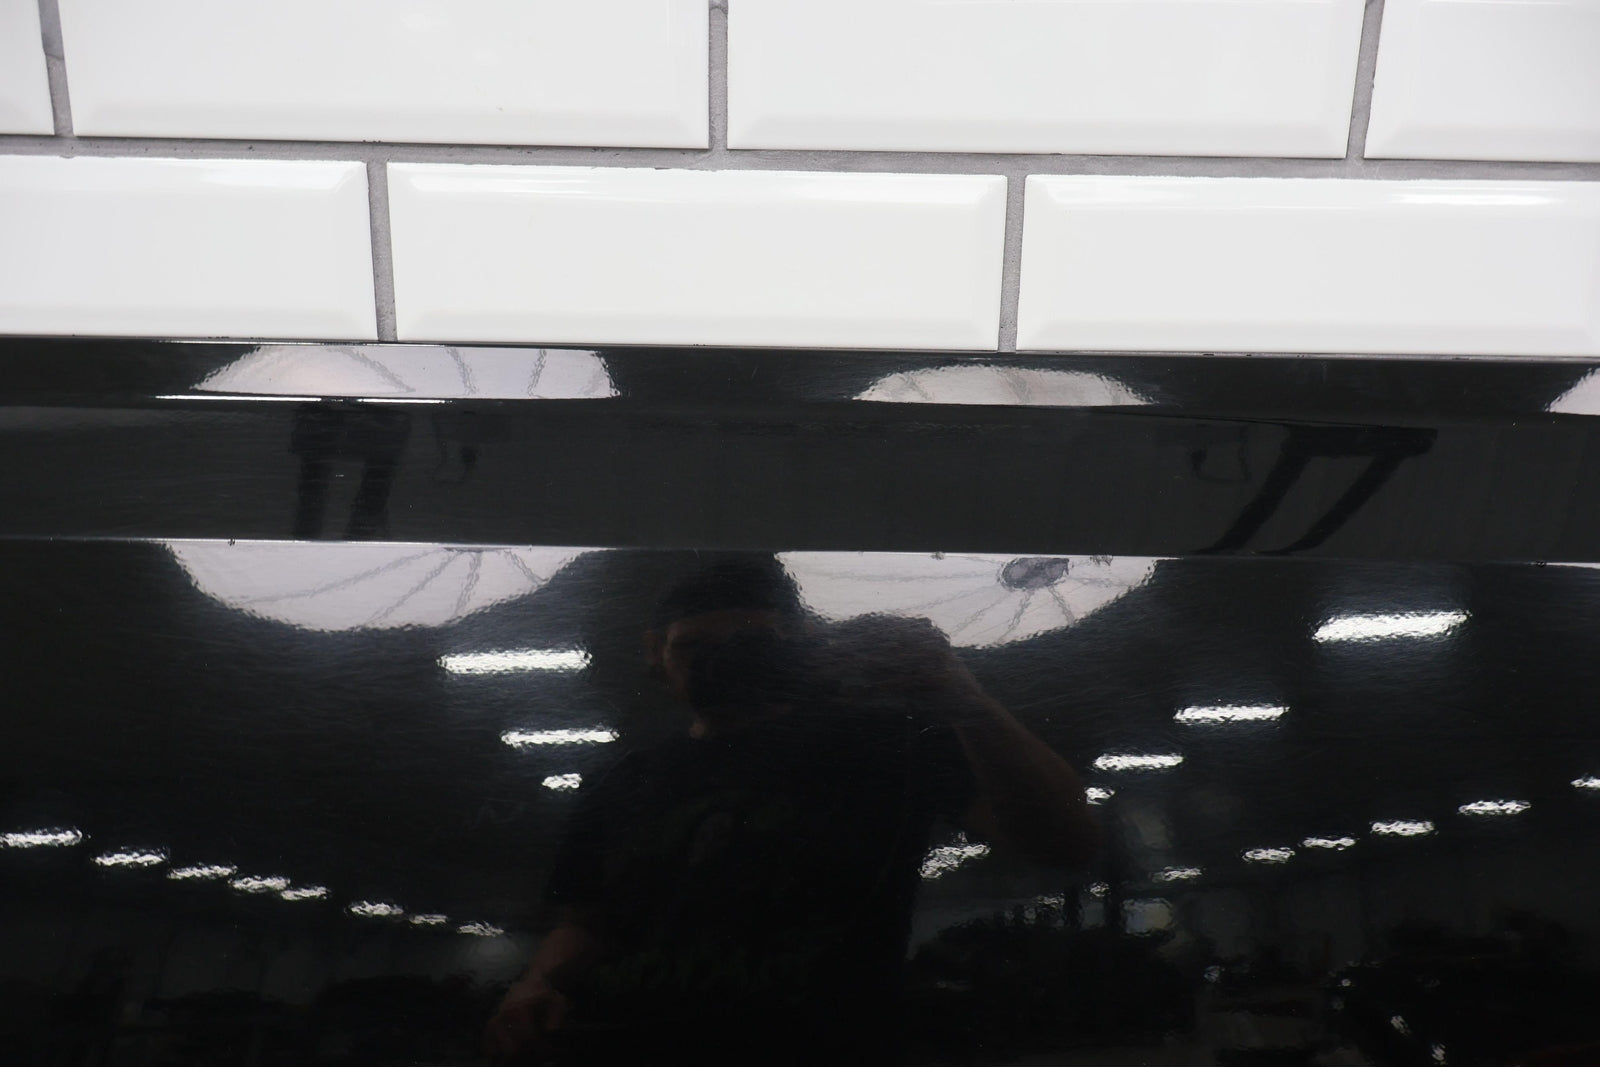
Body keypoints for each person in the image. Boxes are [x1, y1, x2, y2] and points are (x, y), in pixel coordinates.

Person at [487, 556, 1096, 1065]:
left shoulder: (883, 746)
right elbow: (588, 921)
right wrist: (537, 982)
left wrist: (961, 695)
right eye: (694, 648)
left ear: (796, 646)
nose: (722, 665)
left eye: (747, 645)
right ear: (654, 651)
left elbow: (1065, 843)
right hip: (634, 1042)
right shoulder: (622, 778)